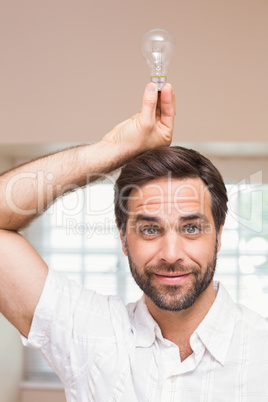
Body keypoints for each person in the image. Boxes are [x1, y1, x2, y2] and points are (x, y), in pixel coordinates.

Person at [0, 82, 267, 401]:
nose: (171, 254)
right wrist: (112, 148)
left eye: (192, 228)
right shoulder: (89, 336)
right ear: (123, 237)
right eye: (150, 229)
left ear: (219, 235)